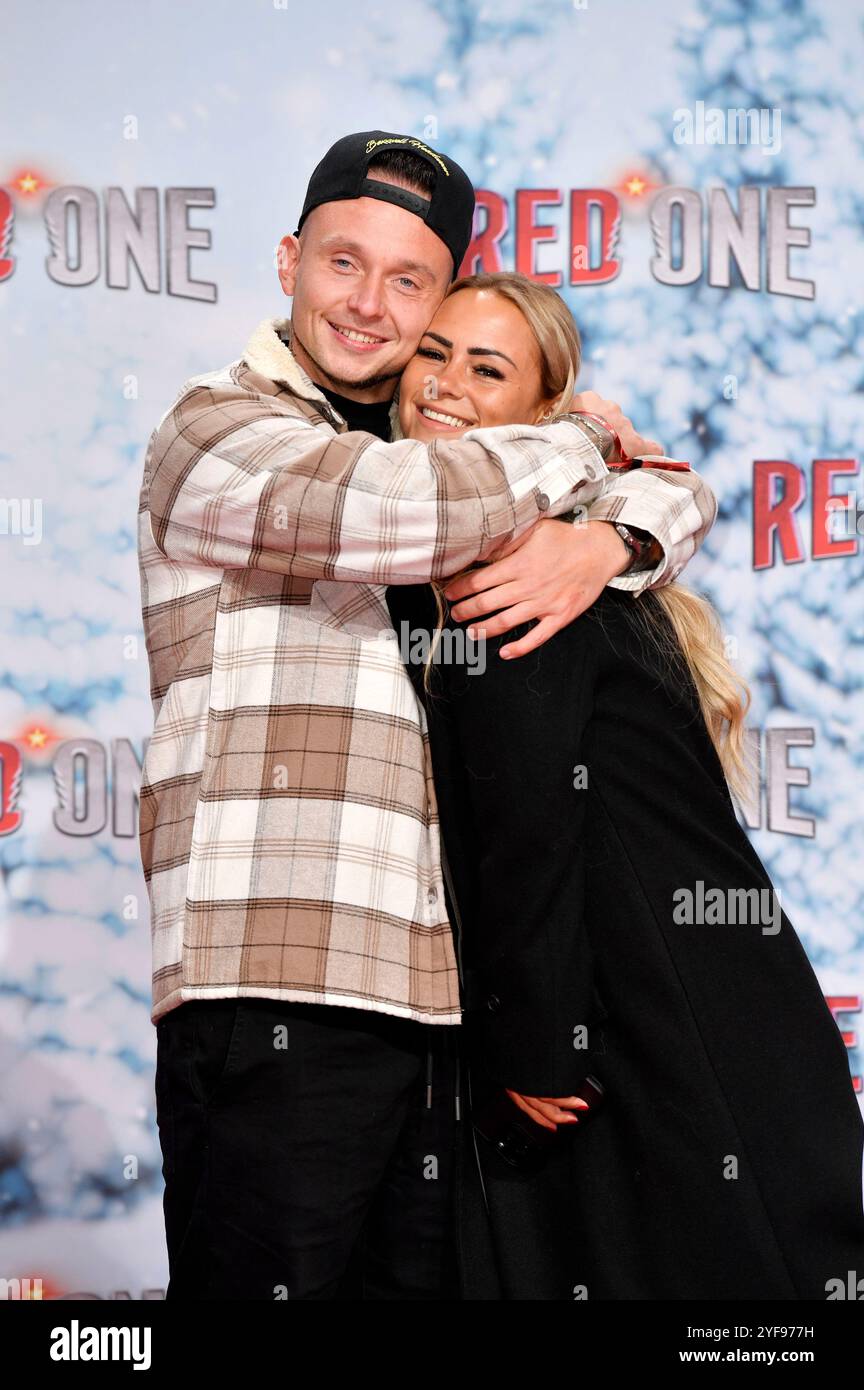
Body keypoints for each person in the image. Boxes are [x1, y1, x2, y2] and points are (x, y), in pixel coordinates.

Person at [139, 130, 717, 1300]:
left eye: (410, 280)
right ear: (290, 260)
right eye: (344, 264)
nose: (369, 304)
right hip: (280, 984)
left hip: (438, 1003)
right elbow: (399, 507)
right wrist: (581, 441)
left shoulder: (444, 453)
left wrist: (609, 535)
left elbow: (678, 487)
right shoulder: (219, 429)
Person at [385, 268, 864, 1301]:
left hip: (665, 1037)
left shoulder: (516, 570)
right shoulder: (523, 555)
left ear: (543, 414)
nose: (446, 383)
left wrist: (537, 1038)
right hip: (678, 1028)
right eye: (433, 352)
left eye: (487, 367)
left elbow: (530, 824)